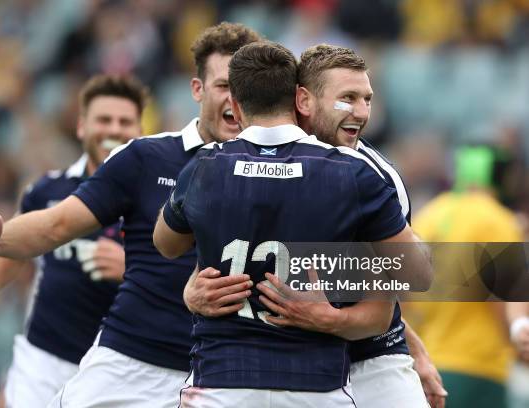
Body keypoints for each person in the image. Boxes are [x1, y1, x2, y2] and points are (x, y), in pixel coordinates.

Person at [0, 22, 262, 408]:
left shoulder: (293, 167)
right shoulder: (144, 157)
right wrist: (0, 237)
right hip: (131, 363)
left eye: (244, 87)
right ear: (197, 89)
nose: (235, 99)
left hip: (224, 374)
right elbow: (57, 224)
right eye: (224, 85)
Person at [153, 41, 430, 407]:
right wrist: (193, 286)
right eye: (348, 98)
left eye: (368, 99)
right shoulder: (352, 175)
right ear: (301, 100)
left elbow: (403, 285)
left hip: (371, 357)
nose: (362, 113)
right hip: (311, 373)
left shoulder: (374, 172)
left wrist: (323, 303)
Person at [0, 74, 146, 407]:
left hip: (121, 368)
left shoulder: (159, 201)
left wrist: (131, 269)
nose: (114, 130)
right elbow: (14, 251)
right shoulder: (47, 190)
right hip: (44, 359)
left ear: (140, 131)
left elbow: (182, 277)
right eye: (104, 119)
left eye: (125, 121)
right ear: (81, 127)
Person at [409, 145, 525, 408]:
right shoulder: (497, 220)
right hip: (479, 367)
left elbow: (404, 297)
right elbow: (501, 298)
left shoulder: (429, 214)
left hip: (427, 364)